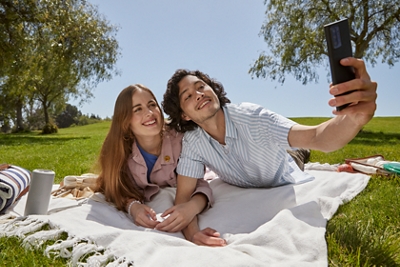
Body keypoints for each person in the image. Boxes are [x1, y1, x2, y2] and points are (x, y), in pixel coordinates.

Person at [159, 57, 377, 239]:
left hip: (281, 170)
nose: (198, 93)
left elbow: (318, 136)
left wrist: (354, 118)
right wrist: (193, 233)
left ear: (212, 90)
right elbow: (183, 197)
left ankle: (298, 152)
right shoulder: (193, 141)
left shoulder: (253, 117)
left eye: (201, 86)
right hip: (250, 174)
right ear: (184, 115)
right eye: (188, 96)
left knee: (298, 152)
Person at [95, 84, 226, 246]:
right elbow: (114, 187)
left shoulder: (181, 141)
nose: (149, 113)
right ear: (125, 121)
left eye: (152, 105)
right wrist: (133, 207)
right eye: (138, 109)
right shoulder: (118, 152)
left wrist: (192, 208)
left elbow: (199, 184)